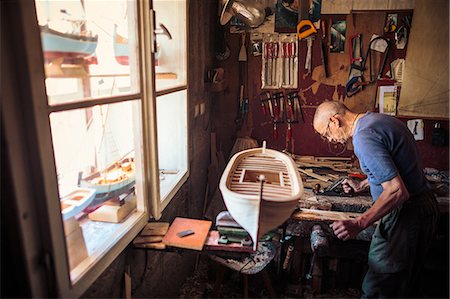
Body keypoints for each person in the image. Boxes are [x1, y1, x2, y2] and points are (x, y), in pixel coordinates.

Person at [312, 100, 439, 298]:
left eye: (326, 133)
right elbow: (395, 170)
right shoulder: (380, 121)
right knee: (403, 283)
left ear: (334, 121)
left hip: (405, 215)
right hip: (423, 207)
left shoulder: (363, 139)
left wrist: (359, 223)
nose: (330, 140)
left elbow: (397, 191)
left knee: (378, 286)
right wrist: (362, 185)